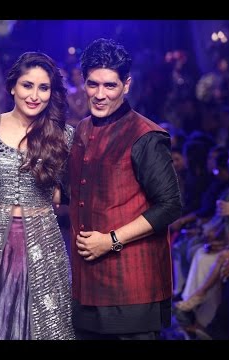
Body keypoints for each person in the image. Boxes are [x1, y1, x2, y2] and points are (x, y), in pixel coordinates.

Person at [67, 38, 182, 340]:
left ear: (126, 85)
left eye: (110, 86)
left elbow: (170, 205)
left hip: (133, 288)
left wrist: (112, 240)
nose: (100, 95)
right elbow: (78, 191)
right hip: (87, 285)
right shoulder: (81, 129)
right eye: (93, 85)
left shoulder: (146, 135)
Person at [0, 52, 75, 340]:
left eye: (44, 88)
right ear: (12, 87)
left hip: (43, 243)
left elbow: (74, 190)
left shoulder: (63, 135)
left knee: (44, 326)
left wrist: (55, 192)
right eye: (27, 85)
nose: (35, 95)